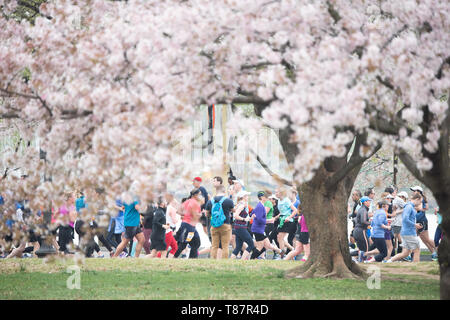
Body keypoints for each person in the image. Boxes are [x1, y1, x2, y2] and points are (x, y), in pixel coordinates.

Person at [386, 193, 423, 263]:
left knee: (405, 253)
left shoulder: (408, 206)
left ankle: (388, 261)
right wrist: (415, 225)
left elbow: (407, 219)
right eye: (420, 201)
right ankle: (417, 267)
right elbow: (405, 219)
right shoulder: (409, 207)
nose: (420, 203)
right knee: (417, 250)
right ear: (417, 199)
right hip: (409, 233)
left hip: (405, 232)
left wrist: (415, 224)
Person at [250, 191, 282, 260]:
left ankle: (279, 252)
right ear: (261, 197)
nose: (267, 198)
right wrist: (269, 221)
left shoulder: (260, 205)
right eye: (265, 196)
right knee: (260, 246)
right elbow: (259, 219)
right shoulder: (260, 206)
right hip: (258, 229)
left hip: (259, 228)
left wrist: (252, 215)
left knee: (267, 245)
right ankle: (252, 258)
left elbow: (253, 212)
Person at [112, 194, 146, 258]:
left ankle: (136, 258)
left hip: (132, 222)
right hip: (131, 223)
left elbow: (123, 207)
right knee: (124, 242)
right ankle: (114, 257)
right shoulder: (135, 196)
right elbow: (137, 207)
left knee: (142, 239)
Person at [205, 185, 234, 259]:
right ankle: (224, 262)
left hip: (214, 225)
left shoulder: (210, 201)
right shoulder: (228, 201)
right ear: (224, 191)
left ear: (216, 191)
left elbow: (206, 214)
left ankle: (213, 261)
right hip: (225, 225)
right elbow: (233, 211)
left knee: (214, 245)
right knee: (225, 246)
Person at [174, 189, 203, 259]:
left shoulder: (187, 201)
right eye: (200, 194)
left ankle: (192, 258)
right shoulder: (194, 203)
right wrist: (201, 215)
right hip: (188, 226)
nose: (201, 196)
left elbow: (178, 211)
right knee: (183, 244)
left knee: (196, 242)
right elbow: (195, 215)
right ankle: (173, 257)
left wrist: (185, 215)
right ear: (195, 195)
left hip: (189, 225)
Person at [410, 186, 437, 260]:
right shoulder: (417, 199)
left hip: (422, 220)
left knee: (426, 238)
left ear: (418, 191)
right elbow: (424, 208)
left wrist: (411, 207)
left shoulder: (420, 198)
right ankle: (433, 253)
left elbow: (421, 208)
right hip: (417, 221)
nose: (413, 192)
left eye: (414, 190)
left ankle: (439, 250)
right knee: (422, 239)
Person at [230, 191, 255, 260]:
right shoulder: (242, 205)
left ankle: (231, 260)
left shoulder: (240, 204)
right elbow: (235, 215)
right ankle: (242, 260)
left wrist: (250, 218)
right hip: (241, 228)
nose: (248, 197)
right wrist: (244, 219)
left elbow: (244, 218)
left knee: (238, 246)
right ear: (243, 197)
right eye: (247, 196)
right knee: (251, 244)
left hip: (238, 227)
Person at [276, 188, 297, 256]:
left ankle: (282, 255)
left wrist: (289, 217)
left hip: (288, 221)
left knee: (280, 237)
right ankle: (292, 249)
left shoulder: (286, 200)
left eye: (277, 192)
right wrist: (276, 217)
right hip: (282, 220)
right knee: (279, 237)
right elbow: (282, 211)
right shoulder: (279, 200)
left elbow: (295, 210)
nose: (276, 194)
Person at [354, 196, 372, 262]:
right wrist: (371, 223)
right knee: (366, 248)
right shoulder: (363, 210)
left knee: (361, 249)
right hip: (361, 231)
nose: (370, 202)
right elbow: (363, 221)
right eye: (368, 201)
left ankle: (360, 260)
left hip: (357, 231)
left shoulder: (361, 209)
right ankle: (365, 261)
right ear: (365, 202)